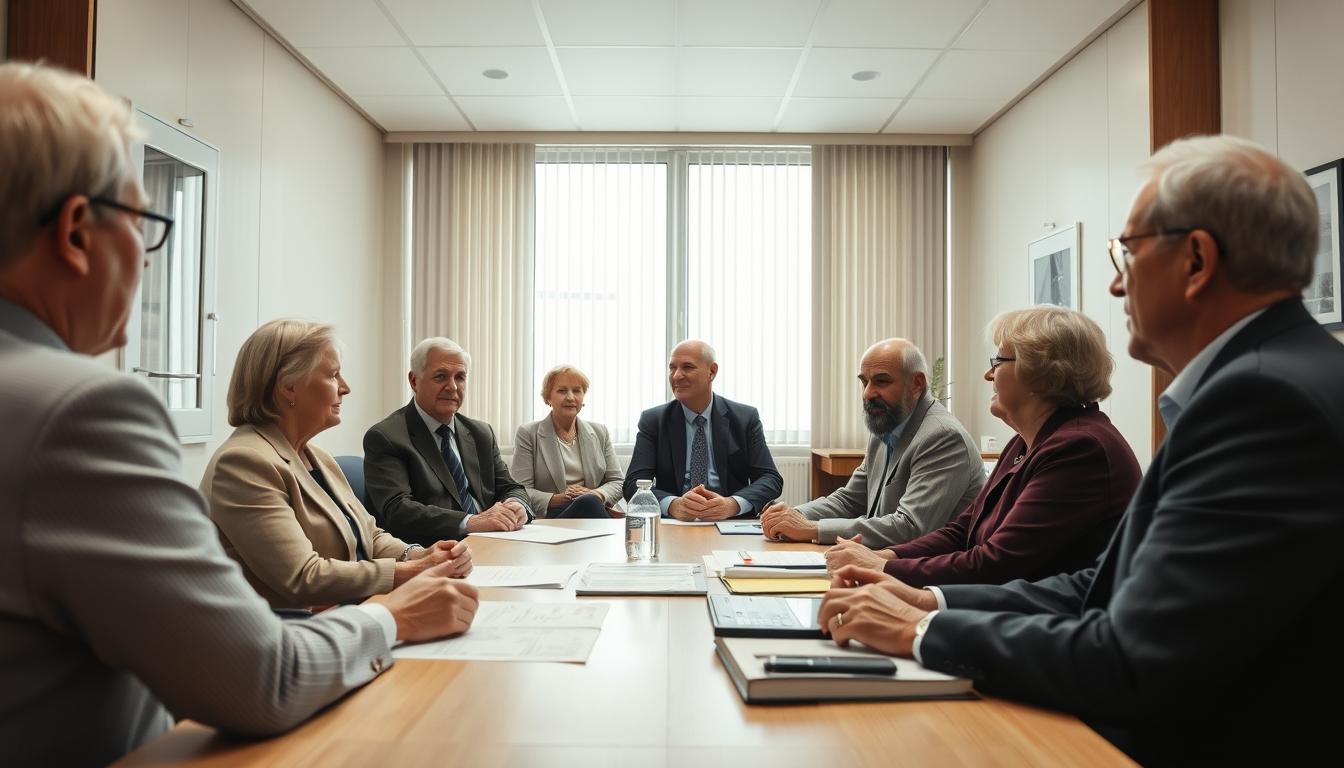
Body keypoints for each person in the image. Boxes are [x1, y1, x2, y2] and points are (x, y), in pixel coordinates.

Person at [0, 61, 477, 765]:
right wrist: (389, 617)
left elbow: (368, 538)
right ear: (76, 232)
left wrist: (409, 565)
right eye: (145, 222)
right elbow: (260, 678)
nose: (148, 260)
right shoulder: (81, 414)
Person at [817, 135, 1344, 764]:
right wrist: (929, 600)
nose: (1117, 287)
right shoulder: (1277, 378)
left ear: (1197, 260)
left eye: (1129, 253)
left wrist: (922, 629)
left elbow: (1137, 656)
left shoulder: (1261, 401)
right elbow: (1105, 585)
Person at [824, 309, 1140, 585]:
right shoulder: (1024, 442)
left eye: (998, 361)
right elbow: (962, 531)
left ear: (1042, 372)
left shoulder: (1080, 450)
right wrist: (883, 554)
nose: (988, 374)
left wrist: (887, 566)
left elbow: (995, 563)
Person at [202, 319, 473, 611]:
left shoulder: (317, 456)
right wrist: (411, 572)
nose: (345, 388)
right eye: (333, 375)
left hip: (347, 613)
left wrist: (416, 555)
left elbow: (369, 534)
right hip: (292, 634)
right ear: (288, 387)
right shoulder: (244, 463)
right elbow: (303, 577)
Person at [761, 339, 984, 547]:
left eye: (881, 381)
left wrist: (813, 529)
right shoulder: (886, 426)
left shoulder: (942, 437)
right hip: (884, 562)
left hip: (929, 578)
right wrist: (793, 515)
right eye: (864, 382)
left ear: (916, 384)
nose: (867, 393)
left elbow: (911, 527)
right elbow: (850, 500)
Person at [364, 337, 533, 544]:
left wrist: (517, 505)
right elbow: (398, 510)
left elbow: (510, 487)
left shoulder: (480, 433)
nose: (452, 387)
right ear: (414, 381)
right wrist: (471, 522)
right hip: (437, 552)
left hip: (495, 542)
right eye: (441, 376)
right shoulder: (387, 437)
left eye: (460, 377)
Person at [623, 340, 782, 520]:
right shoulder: (654, 420)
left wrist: (733, 504)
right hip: (676, 522)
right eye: (672, 368)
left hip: (729, 522)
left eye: (687, 367)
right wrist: (673, 504)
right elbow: (632, 485)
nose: (676, 376)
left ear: (712, 372)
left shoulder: (745, 418)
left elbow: (770, 479)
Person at [512, 365, 623, 518]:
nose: (570, 397)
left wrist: (596, 494)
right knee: (589, 503)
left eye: (577, 391)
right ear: (548, 398)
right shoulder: (528, 434)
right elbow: (520, 491)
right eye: (562, 391)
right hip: (553, 517)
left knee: (589, 502)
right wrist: (559, 499)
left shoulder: (599, 432)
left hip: (594, 510)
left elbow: (617, 481)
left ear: (583, 398)